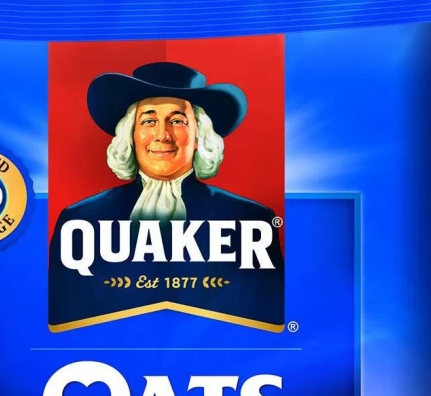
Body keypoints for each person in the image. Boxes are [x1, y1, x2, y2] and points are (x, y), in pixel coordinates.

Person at [49, 62, 284, 332]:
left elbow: (265, 318)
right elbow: (63, 316)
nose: (162, 135)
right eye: (148, 121)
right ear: (131, 135)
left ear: (199, 136)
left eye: (178, 121)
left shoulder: (250, 221)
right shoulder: (80, 222)